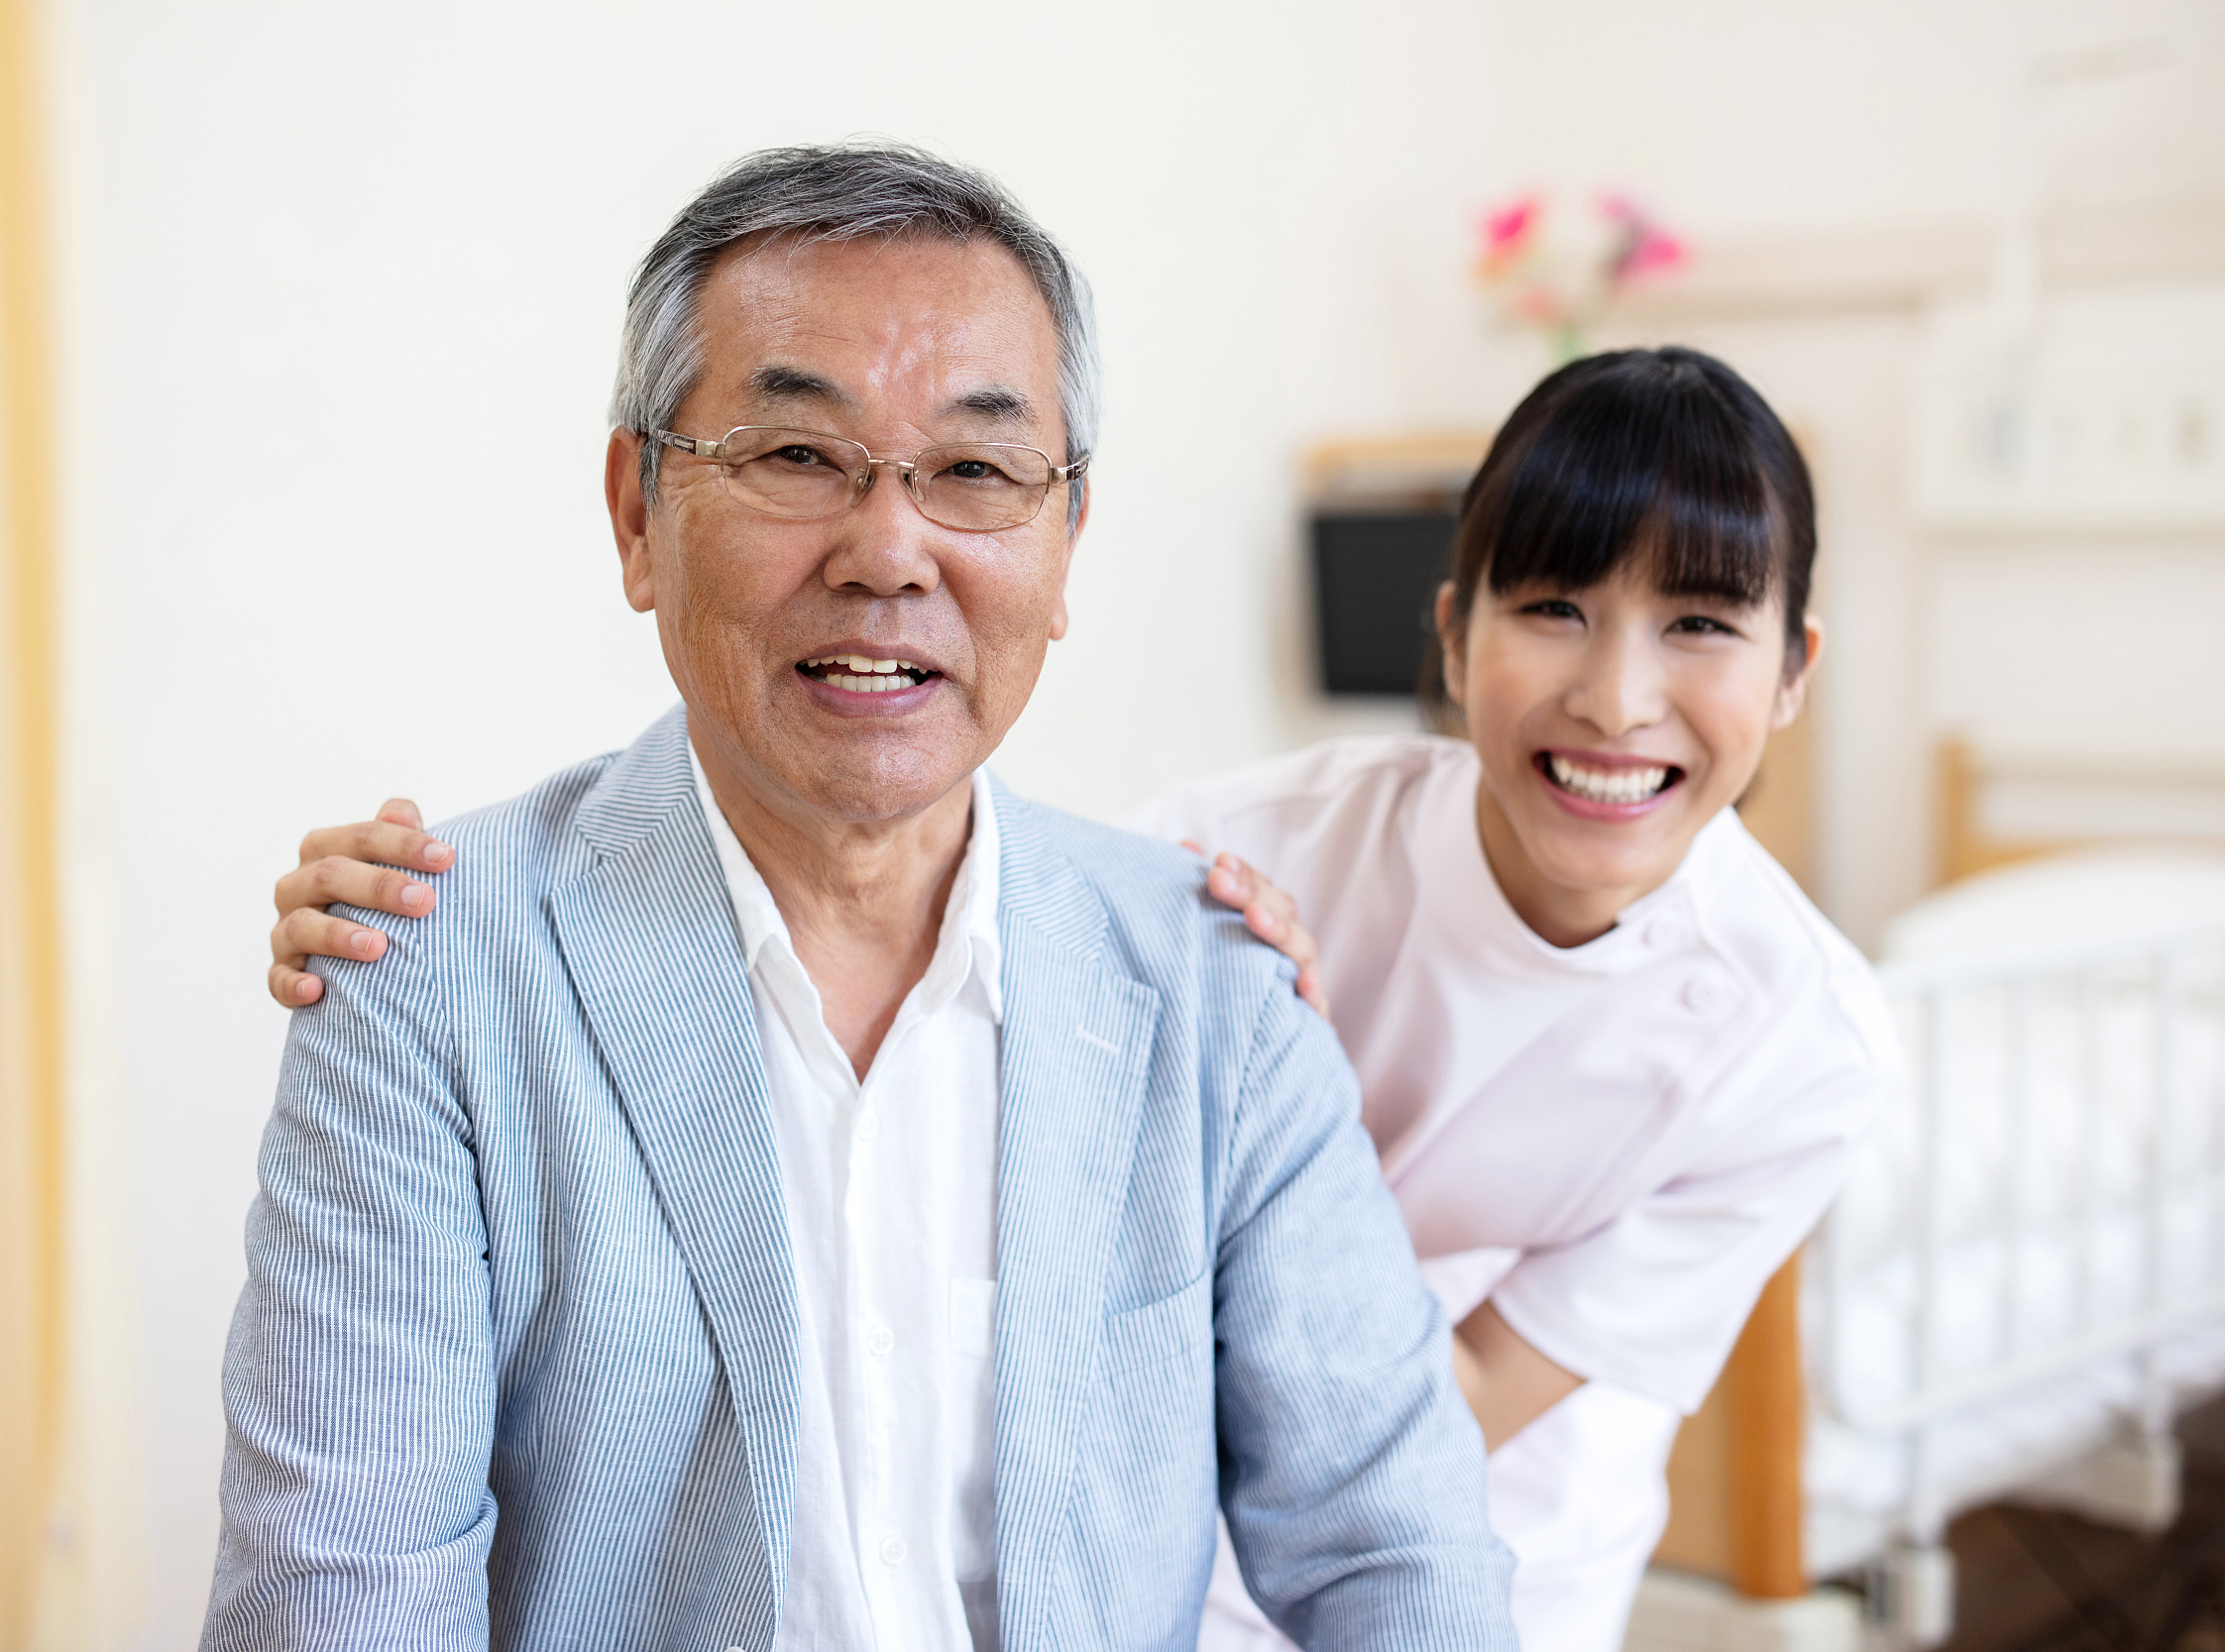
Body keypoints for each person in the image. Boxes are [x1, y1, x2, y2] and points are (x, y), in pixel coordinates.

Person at [267, 346, 1893, 1652]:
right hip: (1130, 1543)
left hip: (1468, 1526)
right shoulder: (1223, 874)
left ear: (1797, 671)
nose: (1618, 697)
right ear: (1456, 636)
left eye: (1700, 624)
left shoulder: (1801, 1043)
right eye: (1555, 609)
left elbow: (1399, 1458)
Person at [202, 143, 1513, 1652]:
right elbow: (342, 1598)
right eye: (797, 458)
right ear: (637, 513)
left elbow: (1400, 1555)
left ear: (1067, 535)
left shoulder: (1212, 983)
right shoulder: (425, 974)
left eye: (974, 470)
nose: (891, 551)